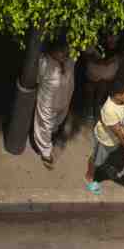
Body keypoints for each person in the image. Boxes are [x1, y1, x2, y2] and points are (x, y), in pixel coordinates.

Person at [85, 79, 124, 194]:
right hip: (105, 140)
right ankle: (89, 177)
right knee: (96, 160)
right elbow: (117, 133)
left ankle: (102, 165)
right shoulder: (110, 110)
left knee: (107, 155)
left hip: (115, 140)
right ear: (117, 95)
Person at [33, 39, 76, 169]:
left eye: (66, 52)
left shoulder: (70, 59)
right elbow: (37, 80)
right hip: (48, 102)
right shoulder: (44, 62)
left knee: (57, 120)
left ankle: (54, 130)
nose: (64, 55)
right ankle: (45, 151)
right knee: (44, 125)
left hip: (64, 99)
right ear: (52, 51)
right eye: (61, 52)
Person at [82, 31, 124, 121]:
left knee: (103, 86)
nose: (112, 39)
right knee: (90, 88)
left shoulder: (122, 43)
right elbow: (85, 55)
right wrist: (97, 61)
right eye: (110, 35)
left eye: (116, 36)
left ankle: (97, 104)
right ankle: (89, 107)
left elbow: (123, 55)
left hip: (108, 72)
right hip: (94, 70)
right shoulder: (95, 41)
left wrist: (116, 59)